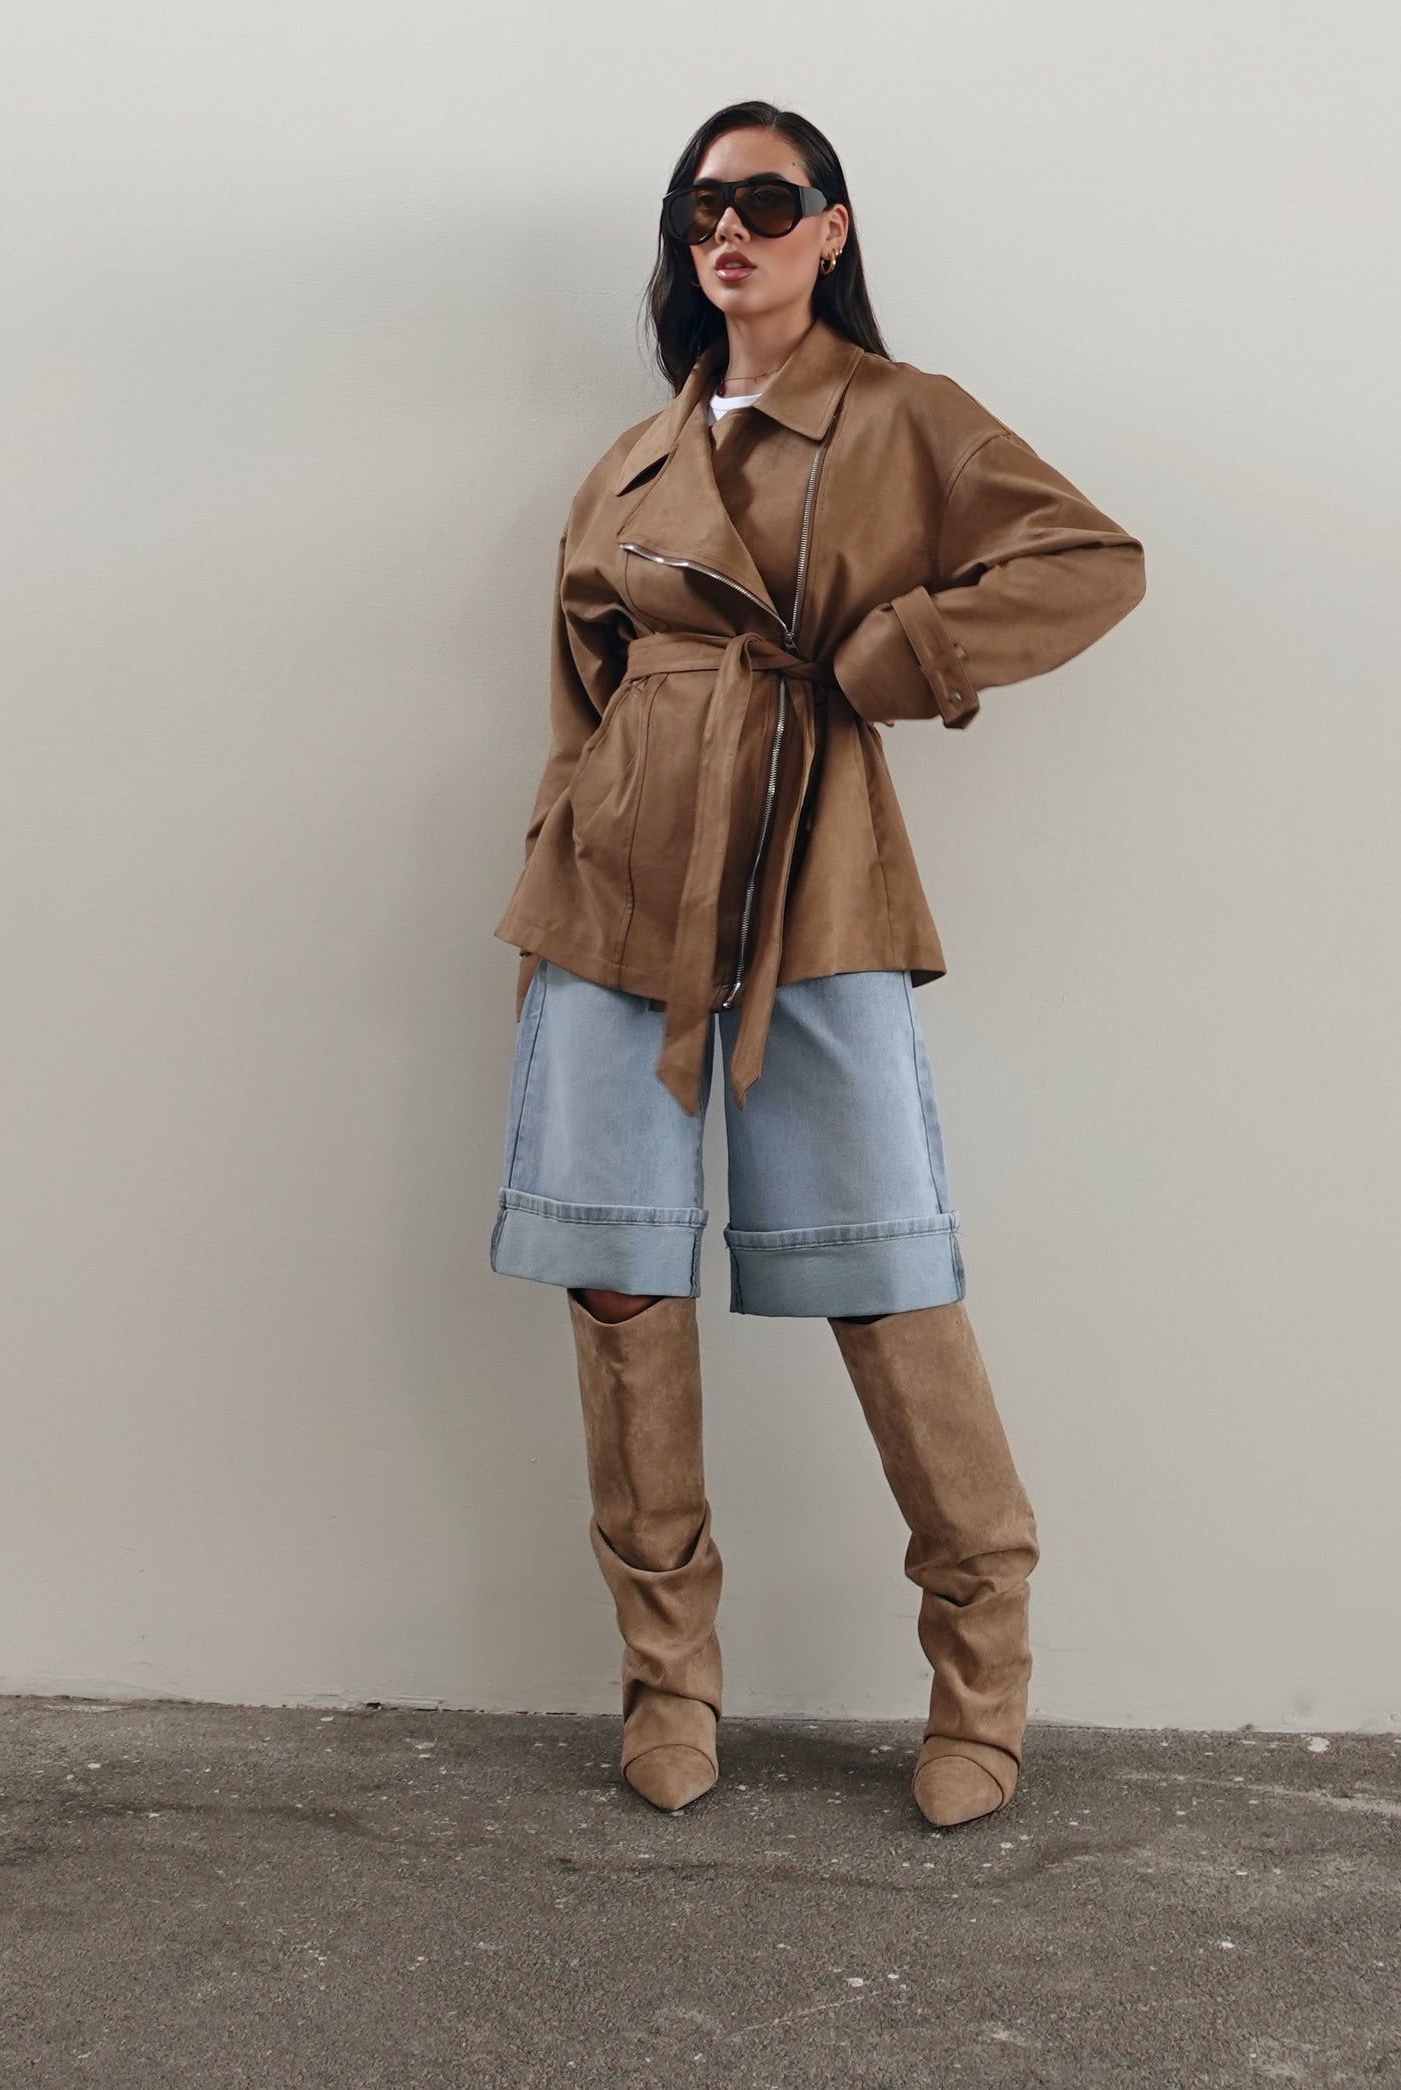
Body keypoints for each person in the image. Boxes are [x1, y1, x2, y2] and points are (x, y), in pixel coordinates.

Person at [490, 100, 1145, 1828]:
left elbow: (1091, 560)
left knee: (879, 1263)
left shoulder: (900, 414)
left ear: (832, 227)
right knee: (617, 1282)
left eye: (769, 200)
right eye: (702, 203)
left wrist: (897, 652)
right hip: (610, 889)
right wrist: (544, 901)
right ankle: (666, 1679)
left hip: (814, 869)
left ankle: (981, 1679)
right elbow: (577, 703)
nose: (731, 228)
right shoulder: (632, 458)